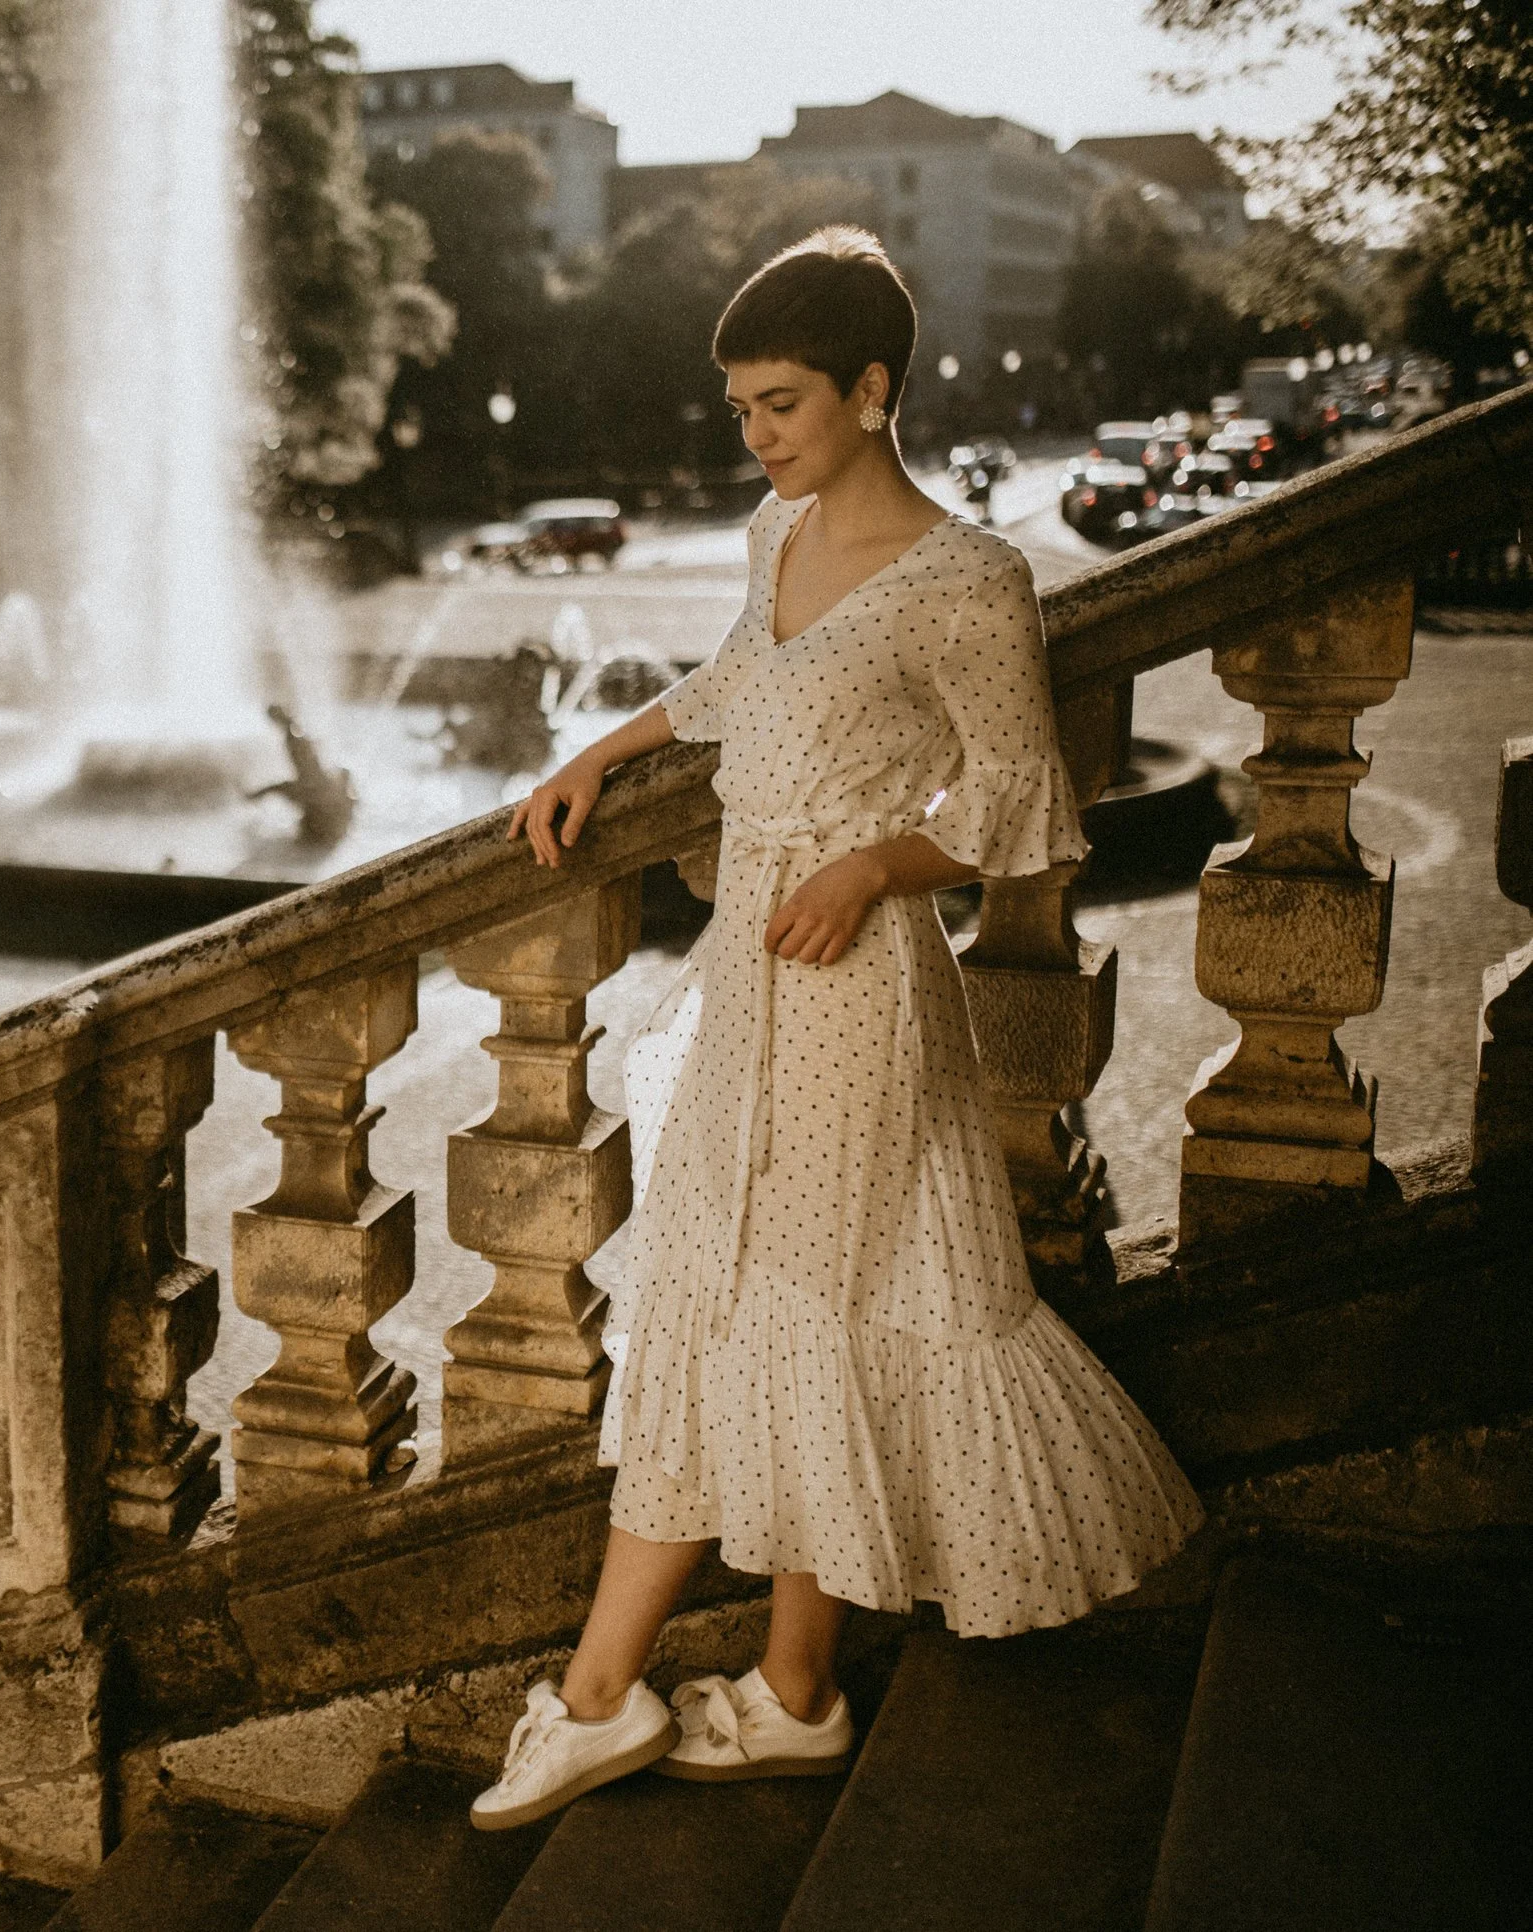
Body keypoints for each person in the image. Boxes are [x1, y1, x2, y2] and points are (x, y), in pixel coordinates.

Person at [470, 229, 1201, 1830]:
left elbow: (1020, 808)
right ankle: (794, 1694)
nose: (758, 434)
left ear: (874, 392)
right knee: (784, 1306)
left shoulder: (967, 580)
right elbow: (743, 673)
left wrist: (878, 861)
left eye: (782, 402)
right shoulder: (777, 530)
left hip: (860, 990)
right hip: (750, 968)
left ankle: (603, 1696)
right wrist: (609, 740)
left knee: (776, 1300)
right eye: (741, 406)